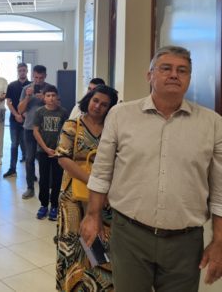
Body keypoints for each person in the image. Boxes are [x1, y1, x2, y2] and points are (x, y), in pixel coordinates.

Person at [81, 46, 222, 291]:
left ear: (189, 78)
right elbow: (102, 172)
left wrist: (219, 239)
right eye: (166, 68)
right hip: (130, 235)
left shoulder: (212, 123)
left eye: (182, 70)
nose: (174, 74)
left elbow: (220, 190)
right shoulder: (120, 115)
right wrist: (93, 215)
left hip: (185, 242)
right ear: (150, 75)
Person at [55, 85, 118, 291]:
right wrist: (93, 182)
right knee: (73, 244)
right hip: (73, 196)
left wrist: (101, 187)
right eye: (95, 100)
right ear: (88, 99)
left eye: (104, 104)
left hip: (104, 197)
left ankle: (97, 286)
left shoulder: (113, 129)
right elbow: (63, 158)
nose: (98, 106)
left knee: (99, 242)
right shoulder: (72, 125)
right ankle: (73, 286)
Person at [33, 85, 68, 221]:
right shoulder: (39, 112)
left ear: (57, 97)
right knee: (44, 179)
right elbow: (36, 131)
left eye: (53, 95)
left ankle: (54, 205)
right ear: (44, 97)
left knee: (57, 179)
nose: (51, 98)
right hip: (43, 151)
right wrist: (45, 148)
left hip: (58, 152)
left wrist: (59, 149)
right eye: (48, 95)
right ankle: (43, 205)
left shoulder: (63, 112)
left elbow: (66, 132)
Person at [18, 64, 53, 199]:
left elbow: (57, 106)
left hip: (46, 130)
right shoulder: (26, 89)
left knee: (45, 159)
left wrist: (45, 99)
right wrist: (28, 97)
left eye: (41, 78)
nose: (38, 81)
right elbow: (20, 110)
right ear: (32, 75)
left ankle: (46, 187)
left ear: (45, 76)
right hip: (29, 129)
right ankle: (30, 188)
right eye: (36, 77)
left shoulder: (50, 89)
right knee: (29, 159)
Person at [3, 63, 30, 178]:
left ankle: (30, 172)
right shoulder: (11, 85)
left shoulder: (31, 86)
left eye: (24, 70)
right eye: (20, 70)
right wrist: (16, 115)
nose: (22, 72)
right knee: (14, 144)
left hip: (27, 121)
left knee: (27, 146)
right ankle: (12, 169)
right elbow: (8, 102)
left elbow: (32, 103)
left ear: (27, 71)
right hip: (14, 120)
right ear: (17, 71)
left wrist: (24, 115)